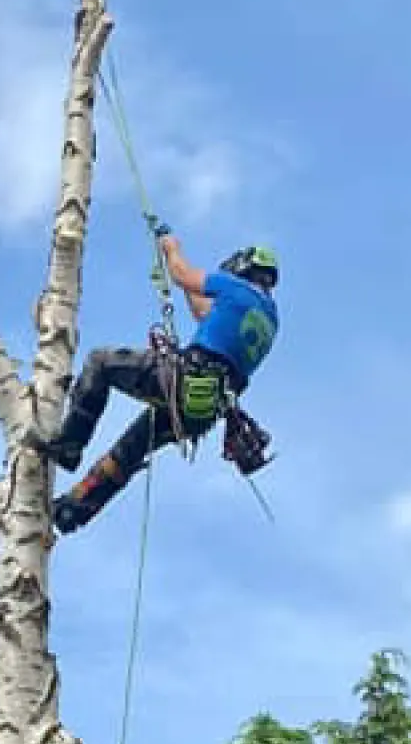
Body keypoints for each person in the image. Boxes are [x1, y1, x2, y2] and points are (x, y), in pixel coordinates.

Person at [33, 219, 280, 535]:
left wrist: (170, 248)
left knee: (101, 362)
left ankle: (70, 444)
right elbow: (204, 313)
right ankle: (72, 511)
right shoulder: (268, 318)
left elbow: (182, 275)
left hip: (182, 379)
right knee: (132, 448)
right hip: (203, 409)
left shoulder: (234, 288)